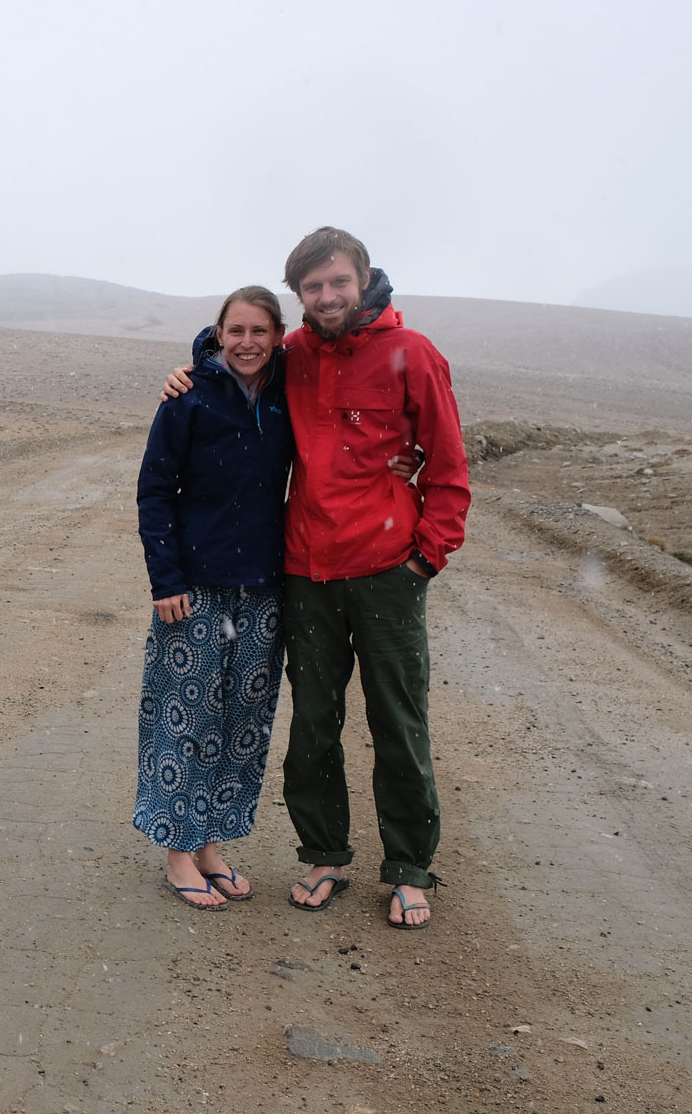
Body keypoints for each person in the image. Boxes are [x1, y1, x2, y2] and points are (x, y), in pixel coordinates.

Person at [163, 227, 470, 929]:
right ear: (298, 294)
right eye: (312, 286)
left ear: (362, 279)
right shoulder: (294, 353)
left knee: (398, 719)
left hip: (388, 569)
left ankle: (408, 867)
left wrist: (427, 555)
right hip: (304, 569)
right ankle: (324, 853)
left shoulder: (410, 354)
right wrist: (187, 368)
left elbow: (449, 466)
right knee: (312, 723)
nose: (326, 296)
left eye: (337, 282)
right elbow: (233, 361)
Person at [135, 287, 292, 910]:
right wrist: (165, 580)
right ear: (217, 334)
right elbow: (154, 493)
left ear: (278, 334)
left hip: (263, 588)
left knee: (242, 724)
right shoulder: (187, 399)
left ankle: (212, 844)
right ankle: (178, 851)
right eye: (236, 331)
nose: (247, 343)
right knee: (186, 718)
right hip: (193, 591)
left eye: (259, 331)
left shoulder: (287, 394)